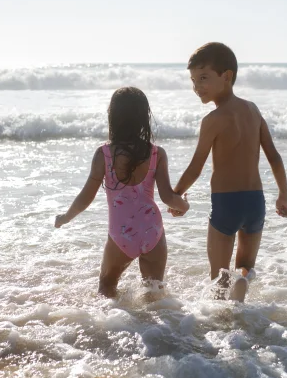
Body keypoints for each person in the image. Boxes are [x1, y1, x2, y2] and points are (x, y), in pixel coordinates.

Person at [170, 42, 287, 302]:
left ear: (227, 77)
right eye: (193, 81)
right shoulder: (253, 110)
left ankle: (223, 328)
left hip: (226, 203)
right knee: (245, 266)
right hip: (255, 202)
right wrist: (283, 195)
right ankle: (243, 282)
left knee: (219, 278)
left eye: (204, 78)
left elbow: (196, 166)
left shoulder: (212, 121)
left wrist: (176, 193)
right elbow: (274, 156)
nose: (197, 87)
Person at [55, 86, 189, 297]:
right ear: (144, 117)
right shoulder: (156, 153)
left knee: (106, 287)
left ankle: (111, 327)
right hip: (152, 230)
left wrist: (66, 217)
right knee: (155, 294)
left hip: (121, 234)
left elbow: (86, 196)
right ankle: (165, 330)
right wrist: (184, 205)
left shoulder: (105, 154)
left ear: (113, 117)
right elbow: (167, 197)